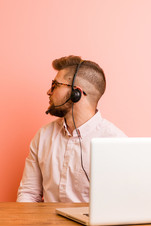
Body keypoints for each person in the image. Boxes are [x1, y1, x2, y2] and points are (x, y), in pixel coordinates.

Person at [17, 55, 126, 203]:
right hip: (46, 225)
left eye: (55, 85)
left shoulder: (116, 143)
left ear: (76, 93)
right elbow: (28, 194)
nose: (49, 92)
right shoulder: (43, 136)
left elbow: (119, 204)